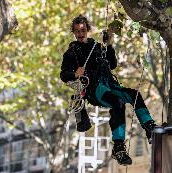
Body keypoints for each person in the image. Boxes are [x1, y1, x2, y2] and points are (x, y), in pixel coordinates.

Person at [60, 15, 156, 166]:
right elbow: (64, 75)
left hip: (110, 85)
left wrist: (109, 44)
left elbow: (112, 65)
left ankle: (150, 127)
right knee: (117, 103)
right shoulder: (72, 53)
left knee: (134, 95)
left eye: (83, 30)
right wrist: (74, 73)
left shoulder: (97, 47)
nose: (80, 33)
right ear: (73, 32)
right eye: (77, 31)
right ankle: (118, 147)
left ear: (88, 30)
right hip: (94, 90)